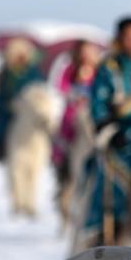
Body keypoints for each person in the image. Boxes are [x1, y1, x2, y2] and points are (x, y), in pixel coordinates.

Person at [80, 17, 131, 247]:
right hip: (121, 135)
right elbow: (98, 104)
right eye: (128, 37)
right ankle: (110, 229)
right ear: (120, 39)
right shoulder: (110, 67)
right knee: (112, 176)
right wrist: (110, 130)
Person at [52, 40, 100, 185]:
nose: (86, 55)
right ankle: (62, 164)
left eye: (89, 52)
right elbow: (61, 87)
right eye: (83, 52)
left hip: (92, 111)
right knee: (65, 135)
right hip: (72, 112)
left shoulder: (99, 70)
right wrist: (74, 93)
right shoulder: (70, 69)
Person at [0, 38, 44, 161]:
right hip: (10, 111)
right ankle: (1, 146)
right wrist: (7, 104)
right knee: (2, 123)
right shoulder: (5, 74)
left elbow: (40, 90)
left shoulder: (33, 72)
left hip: (30, 111)